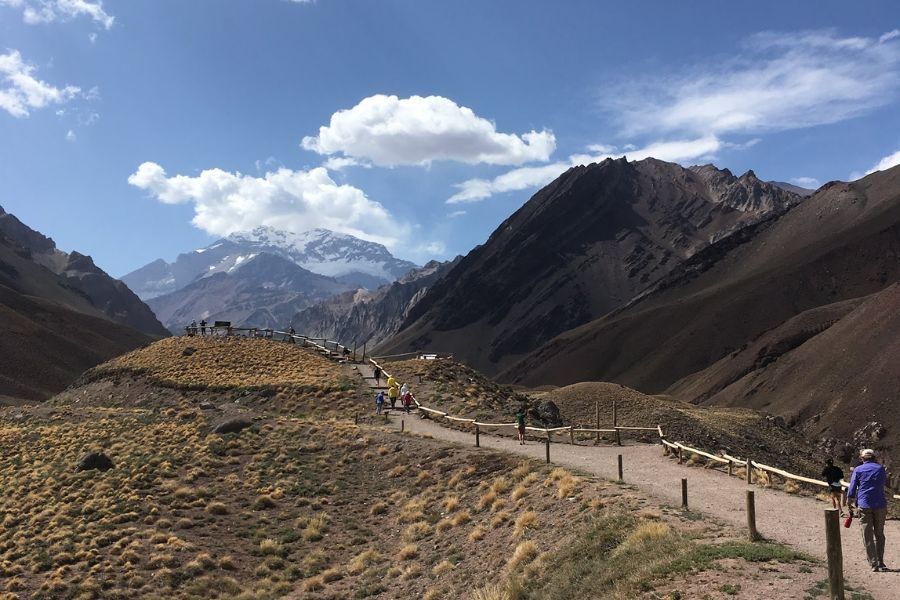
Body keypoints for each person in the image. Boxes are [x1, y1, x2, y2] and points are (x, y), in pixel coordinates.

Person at [847, 448, 888, 572]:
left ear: (862, 458)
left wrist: (849, 501)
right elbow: (883, 483)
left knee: (867, 534)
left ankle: (874, 563)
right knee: (879, 534)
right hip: (880, 504)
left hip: (864, 504)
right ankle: (881, 561)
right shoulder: (880, 469)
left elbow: (853, 487)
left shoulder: (858, 470)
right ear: (874, 457)